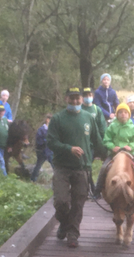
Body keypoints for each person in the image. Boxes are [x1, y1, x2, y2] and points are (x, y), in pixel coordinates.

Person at [47, 87, 105, 248]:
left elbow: (98, 140)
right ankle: (64, 224)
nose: (75, 101)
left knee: (78, 202)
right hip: (62, 167)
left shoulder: (88, 118)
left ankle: (73, 234)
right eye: (71, 98)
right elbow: (51, 142)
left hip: (82, 167)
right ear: (66, 99)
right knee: (61, 202)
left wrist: (109, 155)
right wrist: (69, 148)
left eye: (77, 98)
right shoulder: (58, 119)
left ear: (81, 99)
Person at [94, 103, 134, 199]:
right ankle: (97, 190)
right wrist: (112, 147)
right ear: (117, 114)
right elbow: (106, 139)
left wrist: (131, 146)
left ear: (129, 114)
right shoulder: (112, 126)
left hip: (130, 153)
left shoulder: (132, 127)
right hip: (114, 154)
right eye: (120, 112)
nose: (123, 114)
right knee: (104, 167)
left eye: (125, 112)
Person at [31, 114, 54, 182]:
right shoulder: (41, 129)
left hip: (50, 151)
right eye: (49, 119)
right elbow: (39, 140)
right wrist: (46, 141)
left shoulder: (52, 130)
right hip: (42, 151)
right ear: (47, 120)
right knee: (38, 165)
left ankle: (57, 180)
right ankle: (33, 179)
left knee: (54, 166)